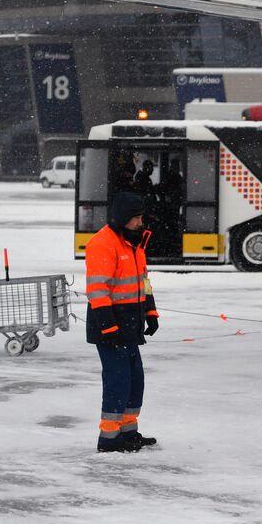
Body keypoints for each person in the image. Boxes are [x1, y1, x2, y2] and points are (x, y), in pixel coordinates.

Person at [85, 191, 160, 453]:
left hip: (131, 325)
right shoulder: (103, 244)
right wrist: (109, 327)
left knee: (134, 380)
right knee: (118, 381)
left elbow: (144, 282)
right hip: (111, 327)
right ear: (122, 219)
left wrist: (151, 312)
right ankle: (109, 439)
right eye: (136, 218)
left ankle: (128, 433)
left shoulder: (134, 243)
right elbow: (97, 290)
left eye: (141, 217)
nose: (141, 222)